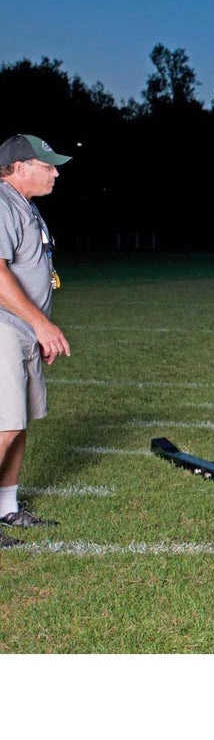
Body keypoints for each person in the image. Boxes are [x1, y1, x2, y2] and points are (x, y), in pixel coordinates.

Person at [0, 134, 72, 548]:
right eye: (48, 165)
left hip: (23, 329)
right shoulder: (3, 204)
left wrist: (39, 328)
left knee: (19, 422)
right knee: (5, 424)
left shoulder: (27, 207)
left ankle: (7, 506)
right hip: (6, 327)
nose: (56, 172)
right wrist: (40, 325)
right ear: (22, 167)